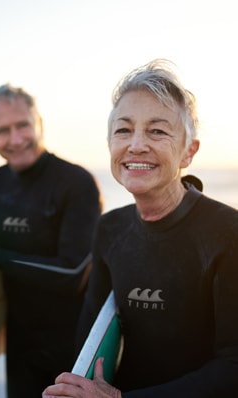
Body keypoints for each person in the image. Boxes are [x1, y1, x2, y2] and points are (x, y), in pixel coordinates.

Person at [42, 59, 238, 397]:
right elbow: (90, 337)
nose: (136, 145)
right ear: (110, 146)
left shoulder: (227, 233)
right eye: (123, 130)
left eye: (157, 131)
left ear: (188, 152)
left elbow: (233, 366)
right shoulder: (109, 229)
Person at [0, 84, 102, 397]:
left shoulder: (76, 183)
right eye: (3, 131)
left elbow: (73, 275)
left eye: (23, 125)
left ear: (39, 123)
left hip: (73, 347)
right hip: (20, 347)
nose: (15, 139)